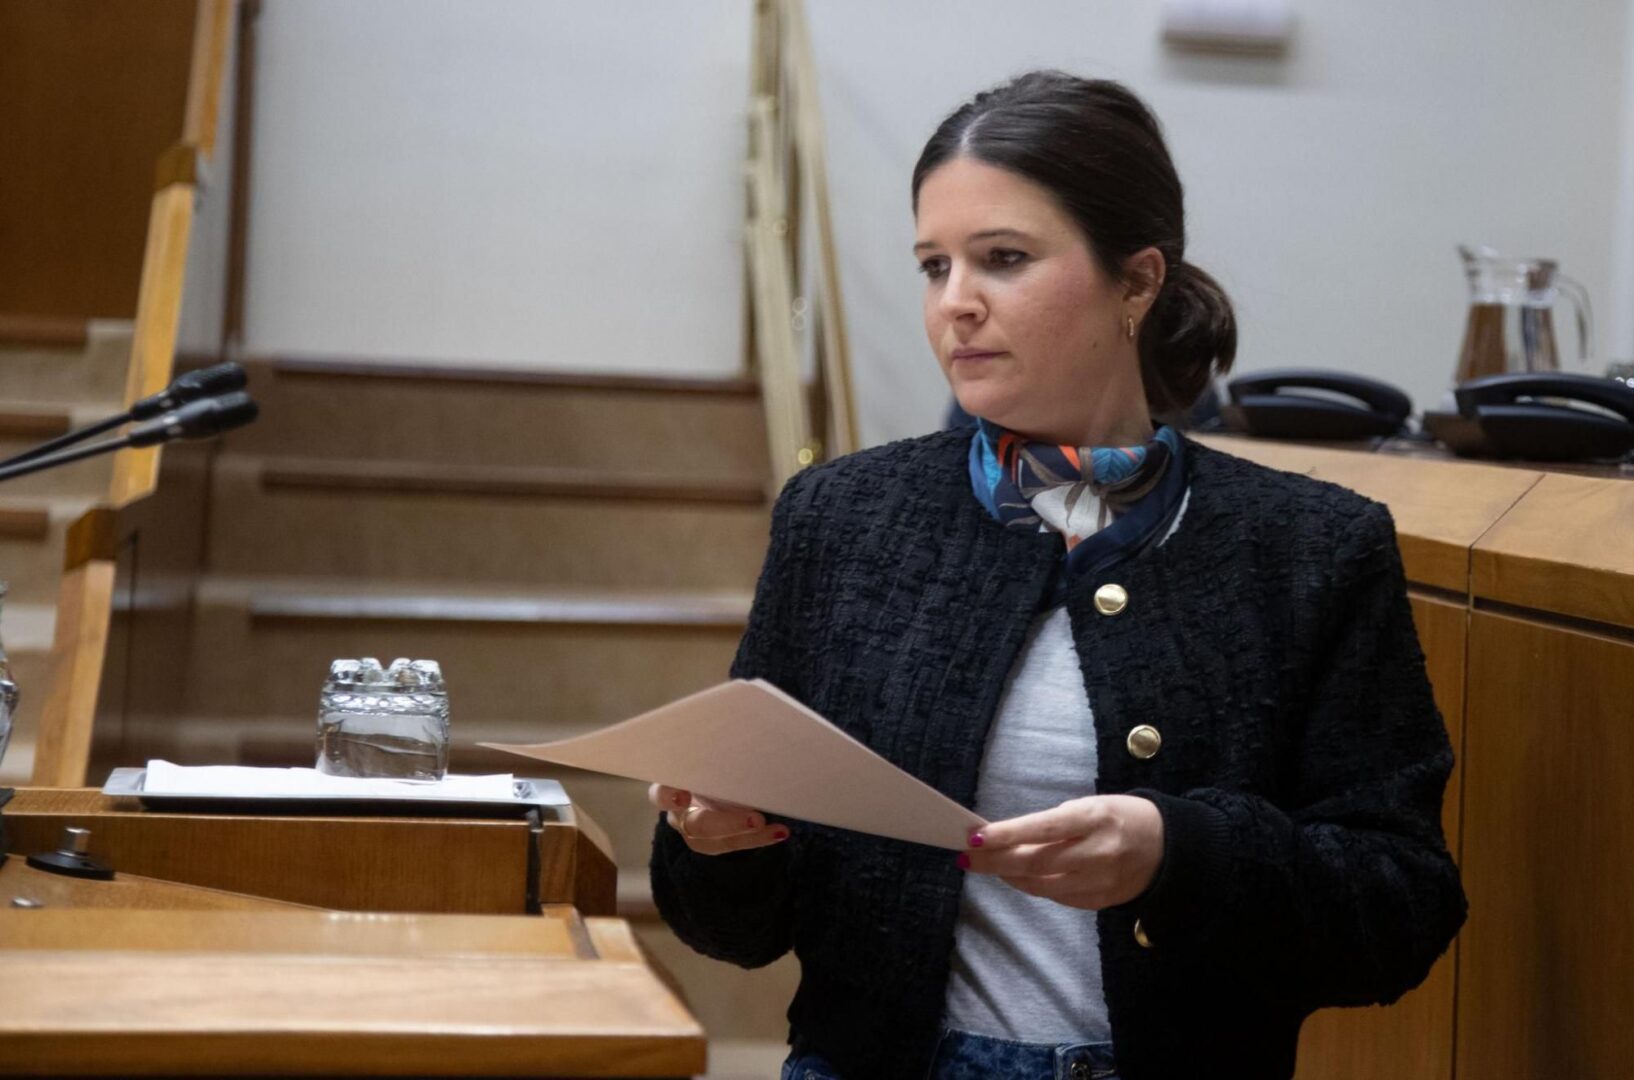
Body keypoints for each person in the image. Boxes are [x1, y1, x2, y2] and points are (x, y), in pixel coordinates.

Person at [648, 71, 1466, 1080]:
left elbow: (1401, 904)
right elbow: (734, 929)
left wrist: (1179, 852)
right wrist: (721, 844)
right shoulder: (842, 519)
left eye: (1002, 259)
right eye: (931, 265)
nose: (955, 305)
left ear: (1135, 282)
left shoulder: (1307, 546)